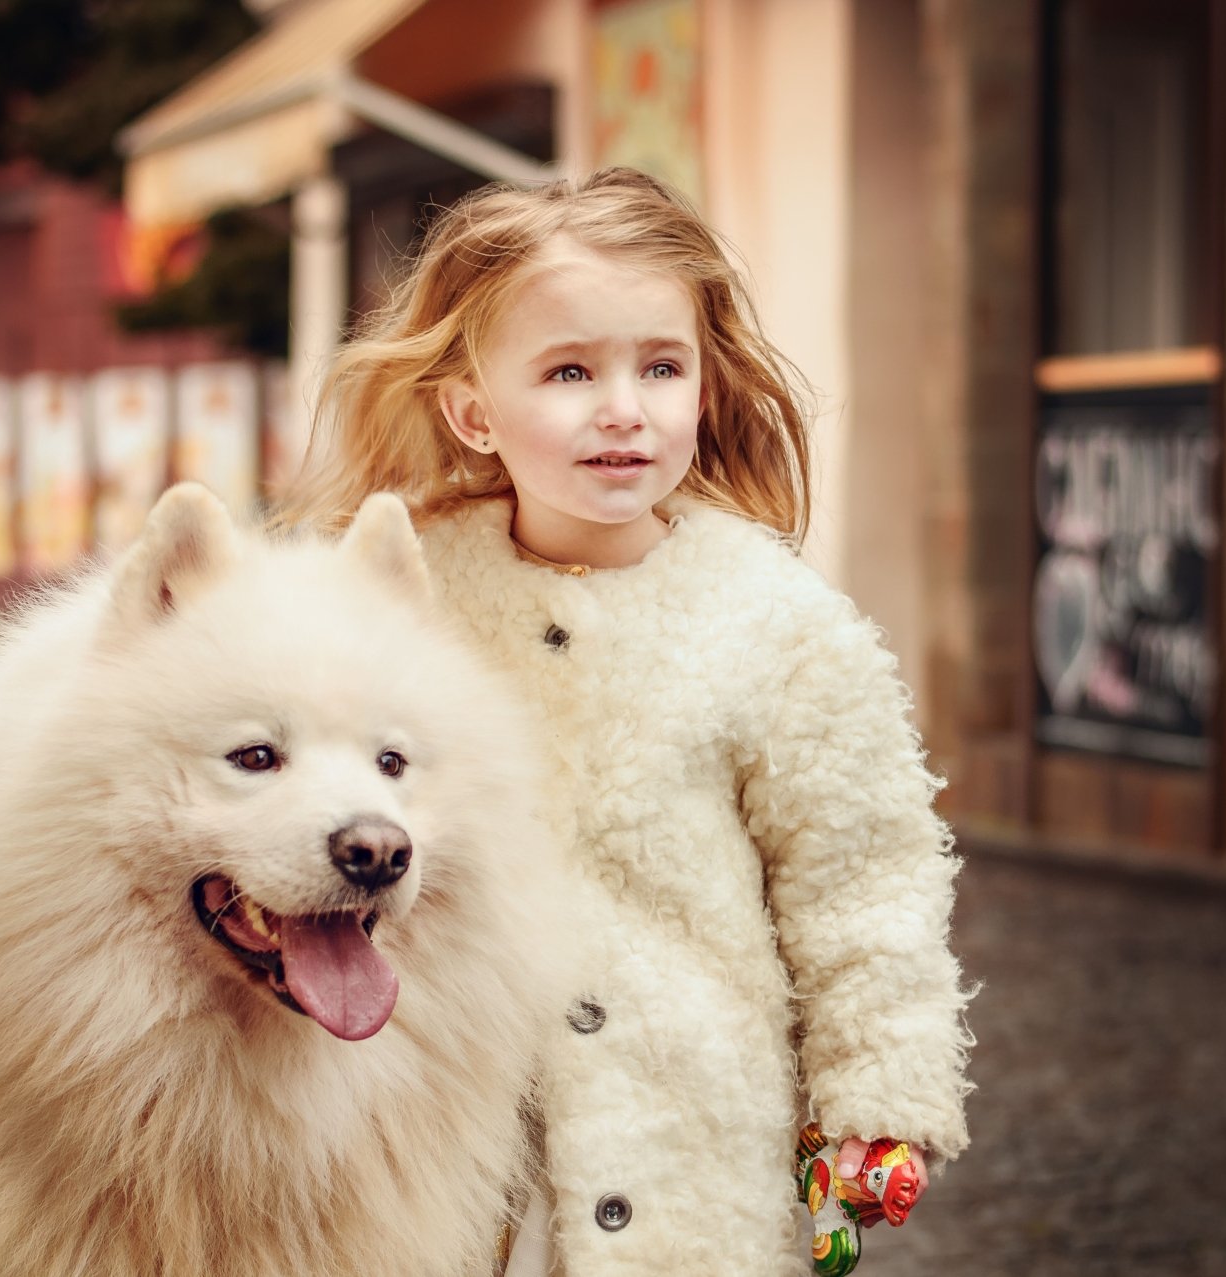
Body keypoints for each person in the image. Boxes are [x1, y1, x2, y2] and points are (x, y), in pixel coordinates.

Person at [281, 167, 972, 1276]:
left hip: (680, 1127)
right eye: (568, 370)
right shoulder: (393, 584)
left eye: (661, 366)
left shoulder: (780, 623)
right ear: (472, 409)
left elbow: (864, 875)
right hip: (429, 1129)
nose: (623, 408)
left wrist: (878, 1087)